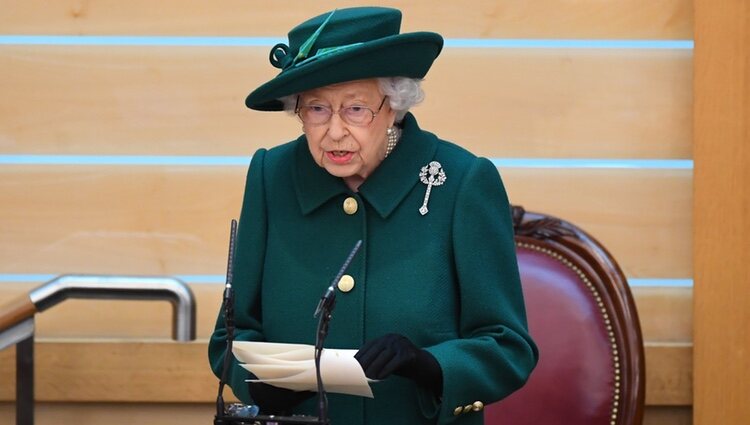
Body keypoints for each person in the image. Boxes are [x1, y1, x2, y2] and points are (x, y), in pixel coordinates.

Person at [208, 7, 538, 425]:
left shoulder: (461, 181)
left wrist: (429, 365)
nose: (335, 131)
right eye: (316, 109)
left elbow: (508, 348)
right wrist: (257, 383)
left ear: (394, 105)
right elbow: (230, 335)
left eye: (356, 109)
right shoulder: (271, 177)